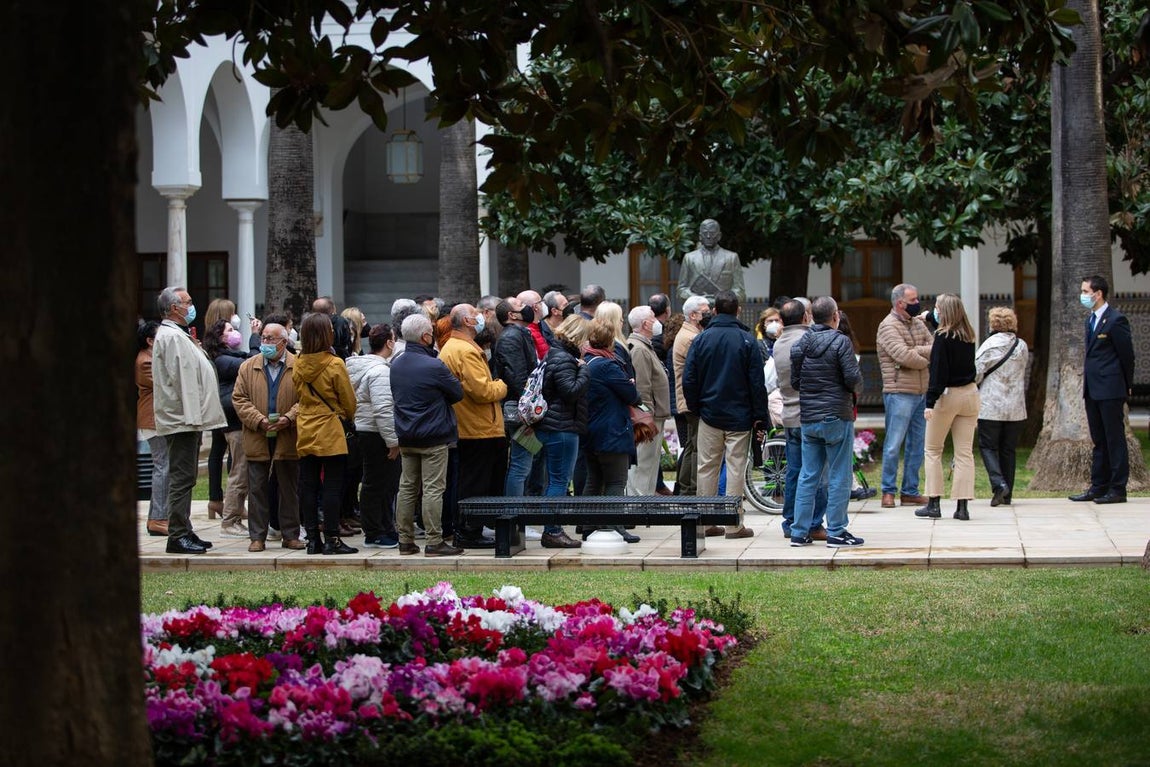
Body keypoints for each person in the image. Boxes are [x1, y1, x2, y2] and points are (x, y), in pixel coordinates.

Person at [682, 290, 768, 539]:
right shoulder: (747, 340)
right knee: (735, 468)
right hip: (740, 415)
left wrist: (696, 407)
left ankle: (706, 523)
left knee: (706, 467)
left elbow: (689, 379)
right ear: (738, 311)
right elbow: (756, 382)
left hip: (709, 414)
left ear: (715, 311)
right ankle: (733, 524)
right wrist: (759, 415)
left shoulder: (701, 339)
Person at [152, 286, 227, 554]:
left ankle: (185, 530)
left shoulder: (178, 335)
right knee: (182, 479)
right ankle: (177, 535)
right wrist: (194, 418)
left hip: (187, 419)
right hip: (182, 419)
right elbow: (183, 380)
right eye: (188, 302)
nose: (191, 306)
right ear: (174, 308)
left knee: (187, 478)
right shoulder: (171, 337)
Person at [788, 296, 864, 547]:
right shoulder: (841, 342)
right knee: (840, 475)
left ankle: (799, 532)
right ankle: (837, 531)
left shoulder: (801, 344)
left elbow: (796, 382)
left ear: (811, 317)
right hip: (836, 415)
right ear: (835, 317)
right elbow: (852, 378)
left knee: (808, 475)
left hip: (809, 417)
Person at [391, 313, 465, 556]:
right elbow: (457, 393)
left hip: (406, 435)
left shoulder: (397, 363)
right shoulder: (434, 365)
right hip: (433, 435)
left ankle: (405, 540)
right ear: (425, 337)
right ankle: (434, 540)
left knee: (407, 487)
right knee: (433, 489)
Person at [231, 322, 307, 552]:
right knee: (257, 488)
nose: (265, 343)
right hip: (257, 434)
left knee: (288, 487)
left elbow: (305, 399)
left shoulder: (298, 366)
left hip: (287, 434)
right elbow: (239, 399)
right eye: (263, 338)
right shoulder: (248, 366)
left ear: (284, 342)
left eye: (271, 339)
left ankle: (291, 534)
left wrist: (290, 417)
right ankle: (257, 536)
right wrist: (258, 420)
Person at [440, 303, 508, 548]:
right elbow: (482, 390)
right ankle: (470, 531)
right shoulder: (465, 350)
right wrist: (502, 385)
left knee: (471, 481)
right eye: (476, 314)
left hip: (472, 425)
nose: (481, 317)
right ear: (468, 322)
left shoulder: (455, 346)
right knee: (475, 484)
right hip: (478, 428)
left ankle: (470, 529)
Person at [292, 312, 359, 554]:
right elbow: (349, 401)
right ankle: (332, 538)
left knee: (308, 485)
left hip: (306, 426)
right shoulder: (334, 364)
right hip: (330, 427)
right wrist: (345, 414)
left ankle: (312, 538)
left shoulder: (298, 363)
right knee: (332, 485)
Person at [1071, 274, 1136, 504]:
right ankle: (1098, 486)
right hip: (1093, 389)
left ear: (1098, 294)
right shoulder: (1090, 320)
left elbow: (1126, 355)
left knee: (1114, 439)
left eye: (1086, 292)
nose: (1083, 295)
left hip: (1111, 388)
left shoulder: (1116, 320)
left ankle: (1118, 489)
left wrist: (1127, 385)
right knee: (1099, 439)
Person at [915, 294, 980, 521]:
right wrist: (931, 320)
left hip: (948, 395)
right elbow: (946, 330)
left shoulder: (942, 337)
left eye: (937, 309)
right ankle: (962, 507)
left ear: (944, 312)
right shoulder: (968, 335)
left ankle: (934, 502)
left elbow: (939, 372)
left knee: (933, 450)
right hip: (970, 394)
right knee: (964, 453)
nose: (935, 311)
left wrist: (930, 402)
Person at [532, 314, 592, 548]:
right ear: (578, 336)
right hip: (562, 428)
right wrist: (585, 370)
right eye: (587, 338)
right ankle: (553, 530)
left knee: (554, 480)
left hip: (554, 425)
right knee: (559, 481)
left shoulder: (553, 353)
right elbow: (570, 391)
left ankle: (552, 529)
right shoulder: (567, 359)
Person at [772, 298, 827, 540]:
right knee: (815, 473)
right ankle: (814, 522)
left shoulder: (779, 342)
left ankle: (790, 521)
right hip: (808, 413)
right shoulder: (807, 340)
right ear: (806, 317)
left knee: (794, 471)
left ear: (782, 321)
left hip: (789, 414)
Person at [875, 283, 933, 509]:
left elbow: (933, 346)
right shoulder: (887, 326)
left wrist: (917, 352)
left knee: (917, 444)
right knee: (893, 444)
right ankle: (888, 491)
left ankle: (910, 491)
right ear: (900, 303)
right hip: (899, 392)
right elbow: (904, 356)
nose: (918, 303)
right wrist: (922, 355)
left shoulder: (918, 323)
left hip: (922, 392)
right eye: (913, 300)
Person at [584, 322, 643, 542]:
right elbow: (632, 395)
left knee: (594, 480)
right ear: (610, 342)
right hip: (611, 432)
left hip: (592, 430)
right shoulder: (607, 366)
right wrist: (630, 384)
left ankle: (588, 524)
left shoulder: (587, 361)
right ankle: (614, 526)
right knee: (616, 481)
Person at [345, 323, 401, 548]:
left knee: (376, 483)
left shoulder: (361, 366)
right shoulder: (380, 371)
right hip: (376, 433)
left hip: (368, 430)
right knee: (380, 484)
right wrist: (393, 442)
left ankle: (382, 528)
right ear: (389, 343)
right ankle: (376, 531)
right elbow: (383, 409)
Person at [975, 307, 1029, 507]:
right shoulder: (1021, 345)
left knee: (988, 446)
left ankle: (998, 484)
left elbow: (977, 372)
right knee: (1008, 450)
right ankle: (1008, 494)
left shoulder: (990, 345)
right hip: (1015, 407)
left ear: (993, 324)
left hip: (991, 406)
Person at [203, 319, 251, 537]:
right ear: (220, 337)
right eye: (230, 330)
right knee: (239, 470)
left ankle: (236, 514)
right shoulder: (222, 360)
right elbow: (249, 363)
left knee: (242, 469)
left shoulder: (226, 356)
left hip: (234, 418)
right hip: (233, 419)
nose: (235, 333)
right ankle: (230, 521)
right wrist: (258, 338)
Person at [625, 305, 670, 496]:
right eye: (653, 318)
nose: (657, 322)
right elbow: (642, 388)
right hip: (648, 417)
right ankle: (638, 503)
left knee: (650, 463)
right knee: (643, 463)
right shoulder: (639, 349)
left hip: (654, 414)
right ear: (645, 324)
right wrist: (646, 417)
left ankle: (646, 501)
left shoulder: (645, 346)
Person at [673, 295, 711, 499]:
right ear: (693, 315)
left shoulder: (691, 333)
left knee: (691, 445)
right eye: (705, 311)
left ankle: (686, 488)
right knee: (698, 447)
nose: (709, 313)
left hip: (687, 399)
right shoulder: (691, 338)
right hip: (691, 400)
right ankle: (693, 490)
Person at [136, 321, 169, 537]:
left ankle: (158, 516)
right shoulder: (145, 362)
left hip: (156, 419)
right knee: (162, 466)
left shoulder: (150, 359)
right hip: (153, 420)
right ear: (150, 341)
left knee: (164, 465)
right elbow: (166, 383)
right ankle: (157, 518)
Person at [677, 219, 745, 303]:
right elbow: (681, 290)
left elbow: (740, 291)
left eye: (712, 233)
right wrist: (697, 299)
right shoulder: (689, 258)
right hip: (698, 310)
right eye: (705, 233)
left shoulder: (731, 258)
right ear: (700, 236)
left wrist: (723, 300)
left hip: (722, 310)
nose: (708, 236)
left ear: (719, 236)